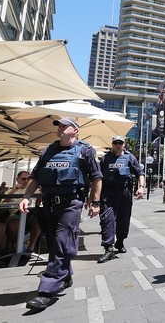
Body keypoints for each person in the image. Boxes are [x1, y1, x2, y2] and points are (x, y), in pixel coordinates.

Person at [19, 117, 102, 310]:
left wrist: (95, 202)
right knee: (53, 242)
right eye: (59, 126)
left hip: (71, 203)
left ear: (75, 131)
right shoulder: (48, 151)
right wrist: (25, 197)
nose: (60, 128)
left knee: (63, 240)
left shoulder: (85, 150)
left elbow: (96, 177)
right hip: (49, 204)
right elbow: (35, 177)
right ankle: (66, 275)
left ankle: (47, 289)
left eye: (65, 126)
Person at [97, 135, 145, 263]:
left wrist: (141, 187)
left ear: (124, 145)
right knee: (107, 219)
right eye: (115, 143)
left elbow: (140, 173)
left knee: (123, 219)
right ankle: (108, 248)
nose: (117, 145)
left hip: (124, 192)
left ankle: (120, 241)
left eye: (120, 143)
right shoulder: (105, 159)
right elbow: (97, 178)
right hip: (108, 192)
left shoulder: (129, 157)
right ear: (112, 145)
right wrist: (94, 198)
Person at [3, 171, 41, 253]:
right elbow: (3, 203)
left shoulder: (35, 190)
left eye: (28, 179)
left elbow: (40, 202)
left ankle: (31, 247)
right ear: (17, 179)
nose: (26, 181)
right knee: (13, 225)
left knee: (39, 222)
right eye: (24, 179)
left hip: (31, 214)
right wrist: (13, 191)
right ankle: (15, 245)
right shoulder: (11, 190)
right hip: (15, 214)